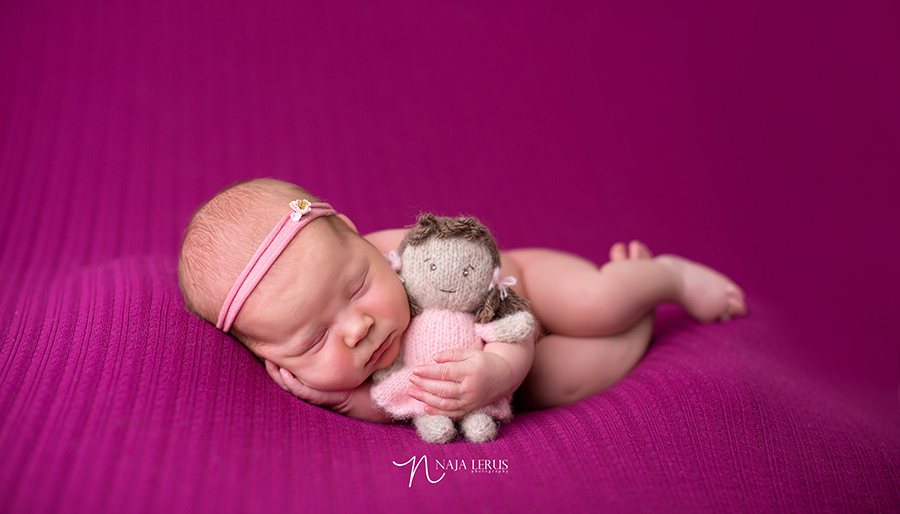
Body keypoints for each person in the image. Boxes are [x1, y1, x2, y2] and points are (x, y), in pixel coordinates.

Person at [178, 178, 746, 423]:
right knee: (573, 382)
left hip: (521, 295)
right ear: (273, 359)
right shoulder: (331, 375)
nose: (357, 329)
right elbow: (401, 400)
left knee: (599, 303)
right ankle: (643, 313)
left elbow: (512, 328)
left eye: (355, 288)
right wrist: (349, 405)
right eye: (314, 340)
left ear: (355, 236)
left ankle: (662, 279)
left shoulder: (406, 251)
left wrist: (497, 374)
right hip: (523, 372)